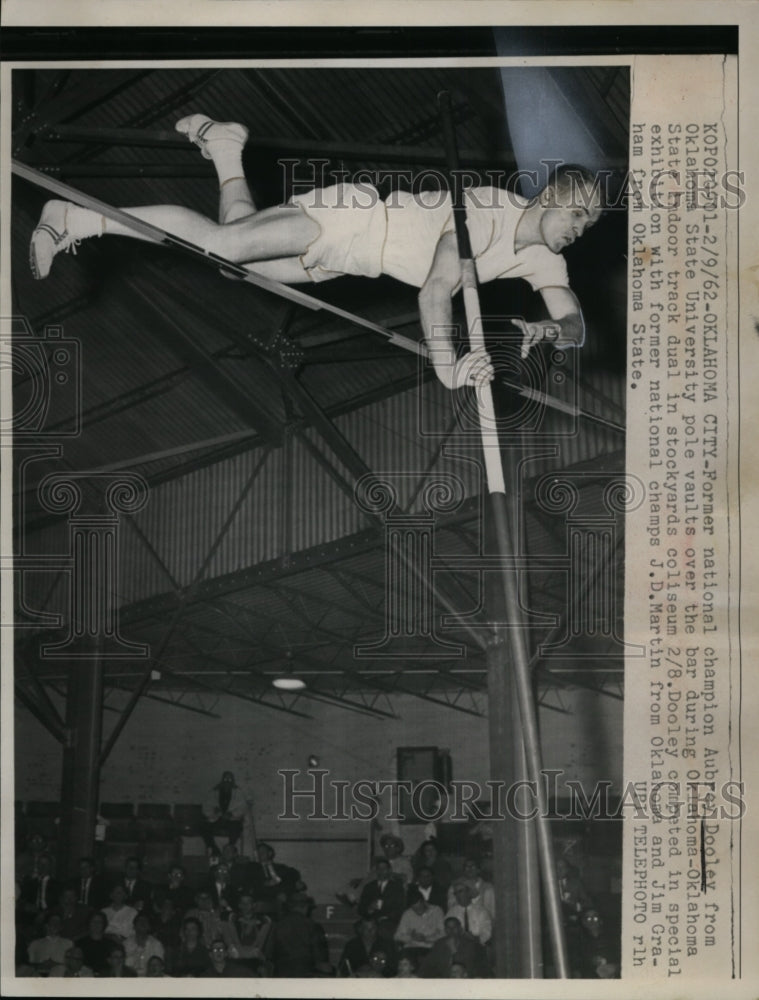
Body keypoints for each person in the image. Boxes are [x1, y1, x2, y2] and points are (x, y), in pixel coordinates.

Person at [30, 113, 602, 385]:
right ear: (549, 195)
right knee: (223, 246)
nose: (579, 227)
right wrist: (448, 367)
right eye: (576, 212)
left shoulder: (545, 258)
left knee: (232, 266)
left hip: (352, 260)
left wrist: (546, 331)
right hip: (350, 219)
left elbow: (574, 323)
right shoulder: (485, 209)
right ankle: (75, 217)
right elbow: (435, 288)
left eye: (588, 224)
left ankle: (225, 148)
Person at [418, 915, 490, 978]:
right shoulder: (439, 944)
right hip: (443, 979)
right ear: (445, 930)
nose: (451, 930)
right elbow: (428, 963)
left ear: (460, 929)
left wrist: (453, 950)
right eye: (448, 928)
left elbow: (465, 967)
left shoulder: (469, 944)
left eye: (454, 927)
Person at [200, 770, 252, 853]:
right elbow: (206, 806)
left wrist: (232, 814)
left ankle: (230, 849)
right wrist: (214, 810)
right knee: (204, 827)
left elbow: (243, 807)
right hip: (217, 818)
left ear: (233, 781)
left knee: (236, 827)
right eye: (225, 779)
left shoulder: (238, 793)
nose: (227, 782)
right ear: (222, 780)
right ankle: (213, 848)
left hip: (232, 819)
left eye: (230, 780)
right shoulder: (214, 792)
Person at [394, 887, 445, 961]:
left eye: (419, 908)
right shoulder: (407, 914)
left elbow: (443, 934)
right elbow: (397, 936)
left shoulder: (437, 911)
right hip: (412, 948)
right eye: (414, 909)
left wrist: (426, 939)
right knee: (405, 958)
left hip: (431, 947)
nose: (418, 912)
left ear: (424, 902)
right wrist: (411, 937)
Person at [357, 857, 406, 931]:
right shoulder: (369, 887)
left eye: (384, 869)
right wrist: (370, 908)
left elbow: (400, 908)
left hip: (390, 922)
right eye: (379, 869)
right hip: (370, 921)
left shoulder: (397, 887)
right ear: (376, 871)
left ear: (389, 870)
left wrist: (385, 918)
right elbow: (361, 909)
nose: (381, 871)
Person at [445, 880, 492, 946]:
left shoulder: (481, 911)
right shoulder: (451, 912)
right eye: (455, 893)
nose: (458, 895)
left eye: (460, 891)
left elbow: (487, 932)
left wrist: (476, 939)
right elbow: (446, 932)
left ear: (468, 892)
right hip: (457, 946)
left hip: (477, 945)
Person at [123, 912, 165, 976]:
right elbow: (123, 966)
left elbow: (159, 967)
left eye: (145, 921)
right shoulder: (125, 944)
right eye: (140, 921)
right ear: (134, 926)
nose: (143, 923)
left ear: (149, 927)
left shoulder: (157, 944)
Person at [76, 910, 112, 975]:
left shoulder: (111, 944)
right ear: (88, 923)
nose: (96, 924)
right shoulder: (79, 943)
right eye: (93, 921)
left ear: (104, 925)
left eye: (99, 922)